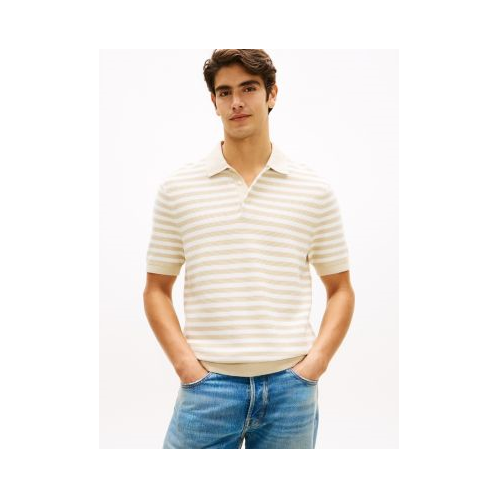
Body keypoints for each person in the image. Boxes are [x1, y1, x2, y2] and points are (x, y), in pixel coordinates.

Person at [143, 49, 355, 449]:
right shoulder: (179, 190)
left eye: (249, 88)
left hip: (290, 390)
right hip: (208, 389)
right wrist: (187, 366)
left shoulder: (313, 190)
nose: (236, 102)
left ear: (272, 94)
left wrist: (314, 366)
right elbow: (156, 289)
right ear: (214, 101)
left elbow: (341, 289)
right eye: (225, 92)